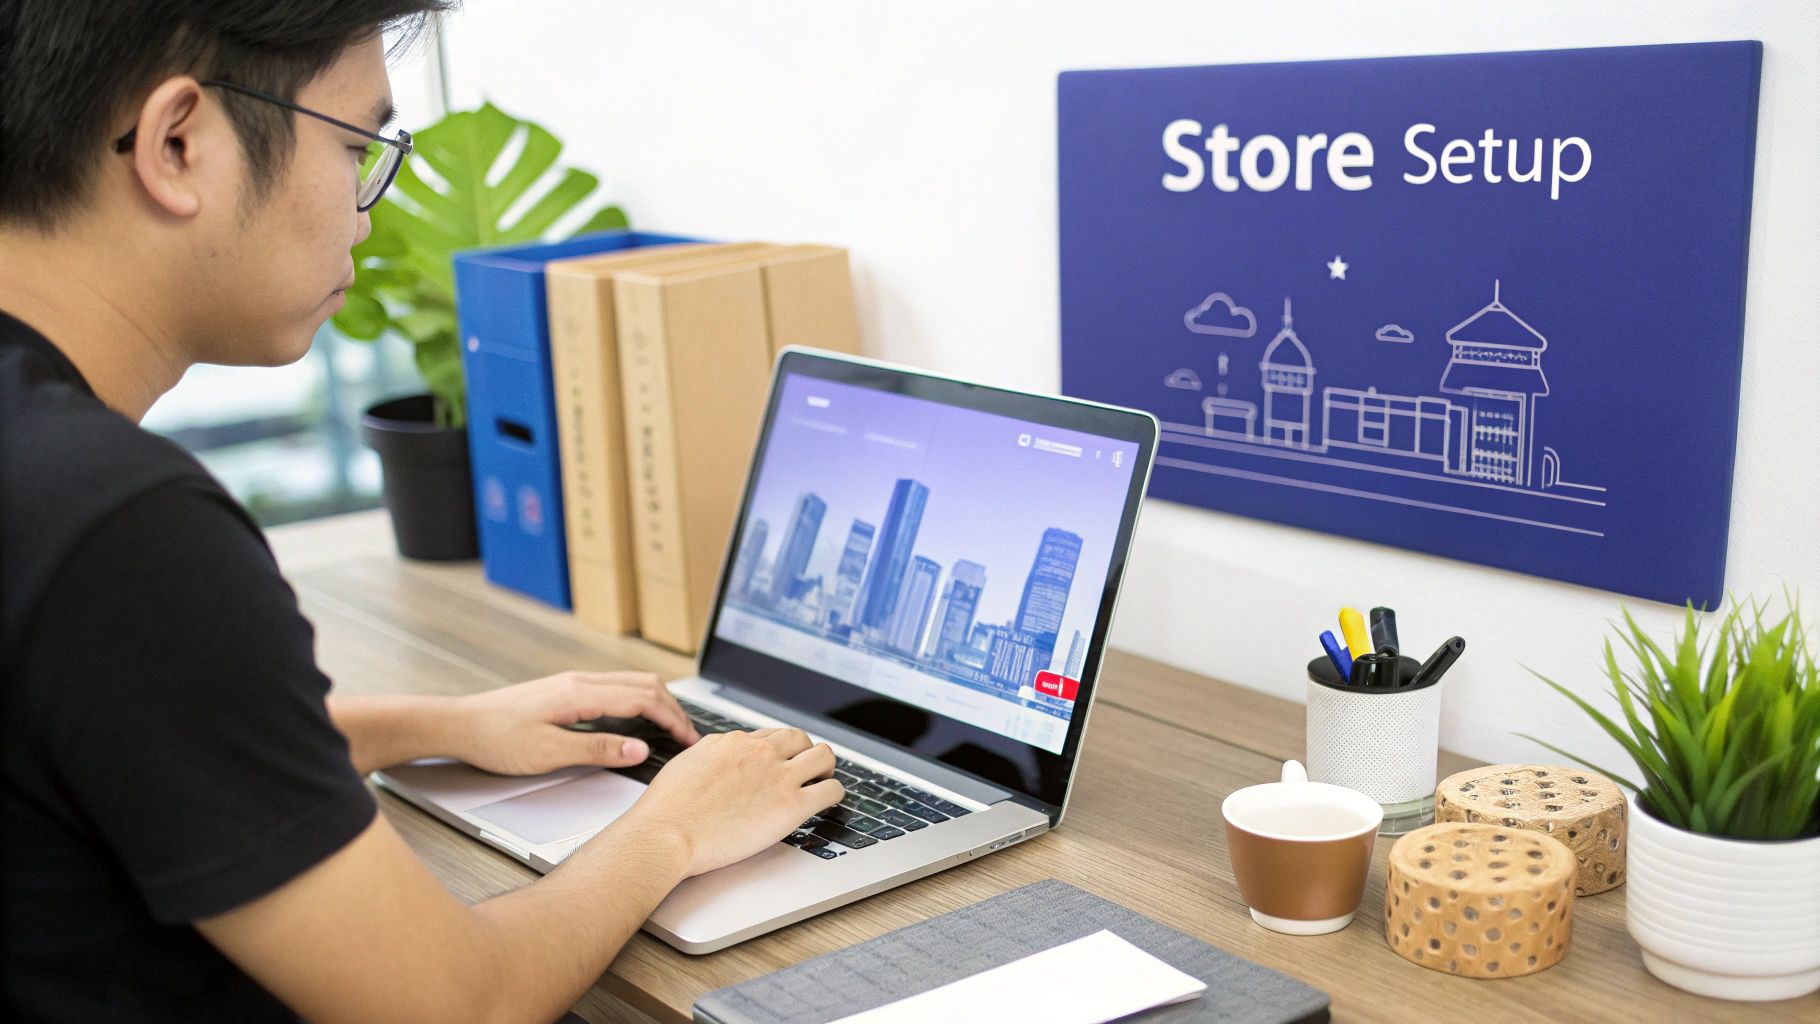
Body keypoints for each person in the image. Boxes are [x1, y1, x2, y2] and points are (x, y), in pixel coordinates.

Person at [0, 3, 844, 1020]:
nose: (366, 212)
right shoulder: (123, 530)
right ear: (179, 143)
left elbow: (114, 731)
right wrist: (673, 823)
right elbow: (453, 1004)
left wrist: (439, 724)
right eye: (356, 147)